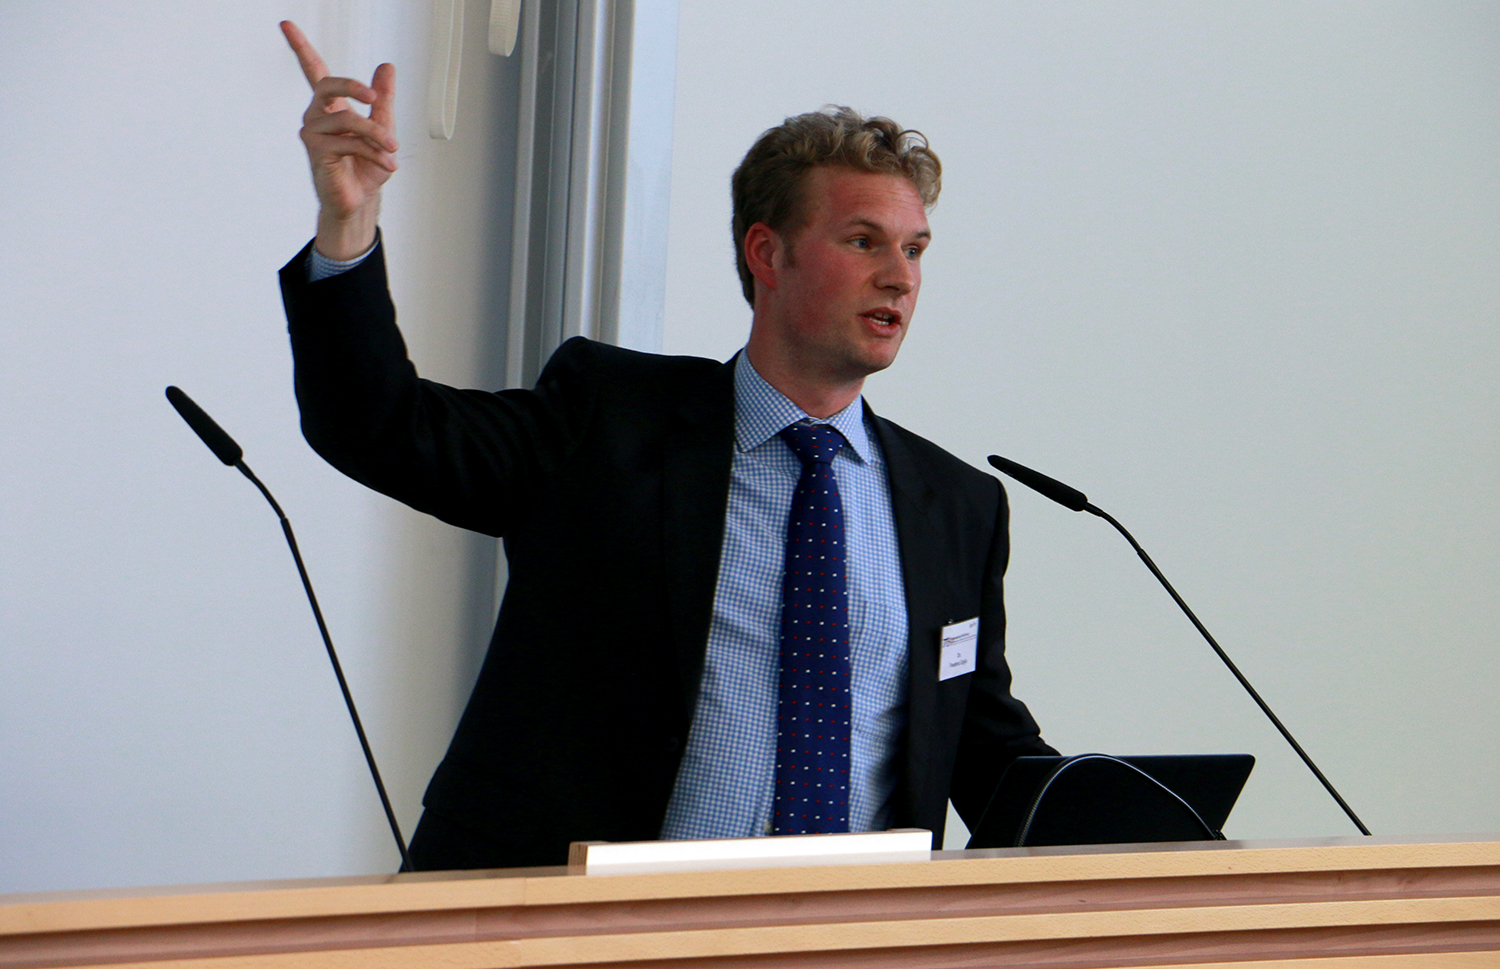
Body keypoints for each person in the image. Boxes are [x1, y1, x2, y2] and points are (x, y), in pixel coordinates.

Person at [278, 21, 1055, 870]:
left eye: (914, 249)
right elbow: (384, 430)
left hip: (834, 949)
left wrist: (1155, 819)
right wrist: (347, 228)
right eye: (863, 241)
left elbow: (986, 754)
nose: (901, 277)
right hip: (578, 933)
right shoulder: (607, 422)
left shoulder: (957, 507)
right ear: (769, 252)